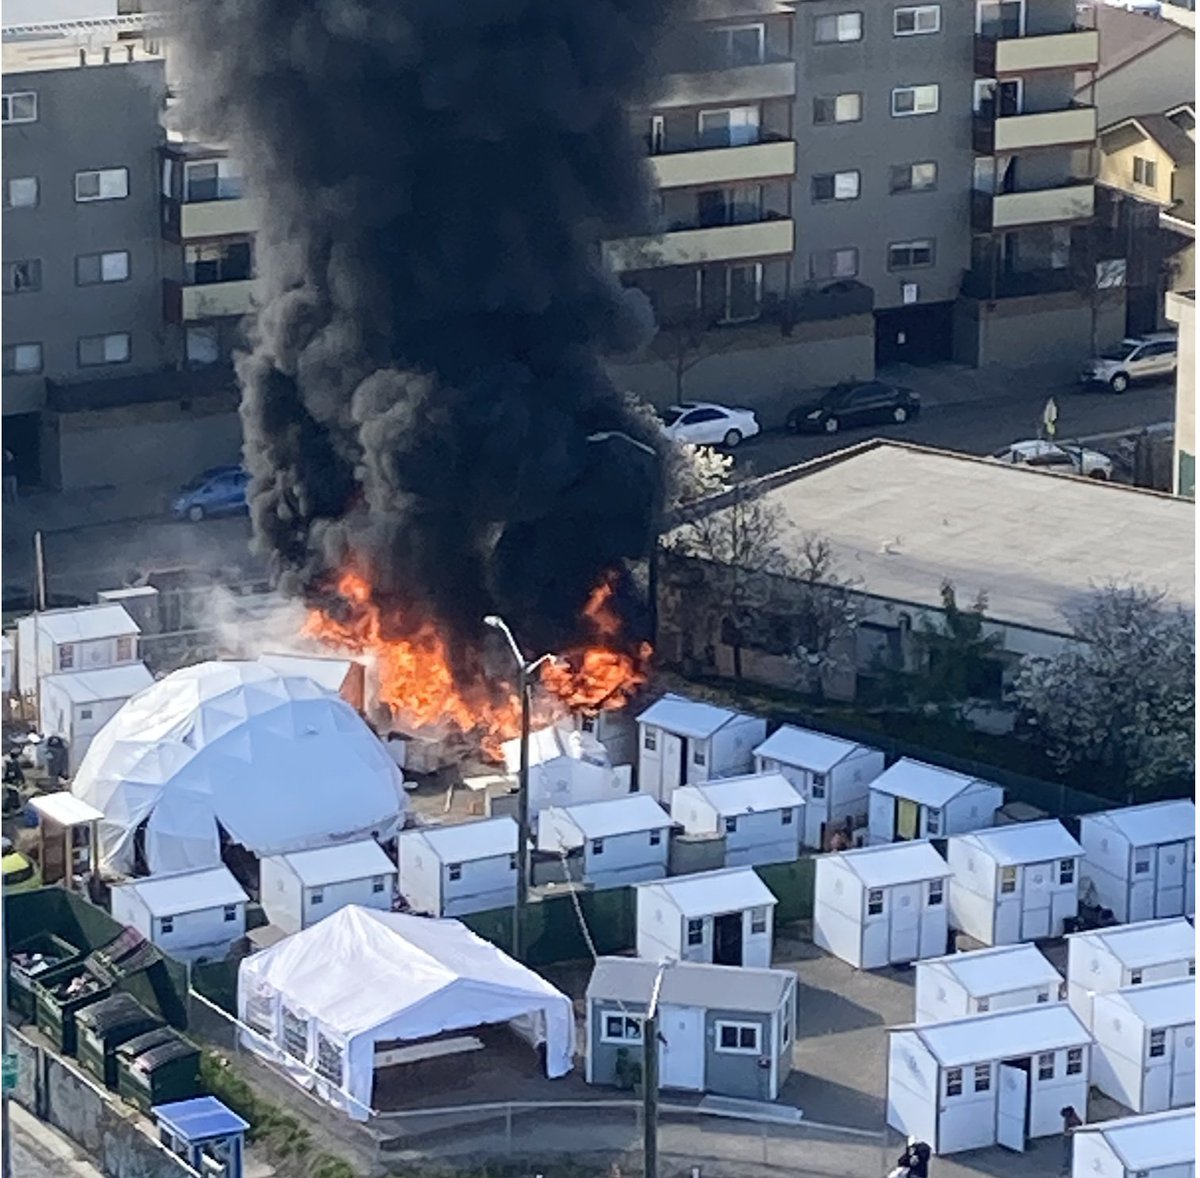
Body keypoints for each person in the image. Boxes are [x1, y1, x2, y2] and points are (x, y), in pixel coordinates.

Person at [1060, 1105, 1082, 1177]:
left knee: (1069, 1153)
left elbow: (1077, 1125)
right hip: (1069, 1137)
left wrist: (1069, 1132)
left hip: (1071, 1137)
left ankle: (1068, 1169)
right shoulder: (1069, 1118)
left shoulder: (1072, 1119)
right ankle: (1067, 1167)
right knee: (1068, 1152)